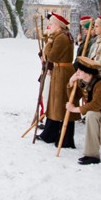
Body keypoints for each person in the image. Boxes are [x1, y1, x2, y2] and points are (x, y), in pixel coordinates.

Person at [37, 12, 77, 147]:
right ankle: (51, 133)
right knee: (56, 103)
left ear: (59, 26)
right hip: (60, 71)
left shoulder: (61, 38)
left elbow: (51, 56)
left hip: (62, 72)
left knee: (60, 102)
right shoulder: (62, 36)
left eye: (52, 24)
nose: (50, 26)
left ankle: (64, 138)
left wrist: (48, 43)